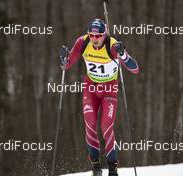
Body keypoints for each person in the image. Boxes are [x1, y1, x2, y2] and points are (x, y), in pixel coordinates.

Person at [59, 19, 139, 176]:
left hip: (109, 89)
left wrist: (123, 55)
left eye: (99, 35)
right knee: (89, 125)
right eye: (92, 35)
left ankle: (112, 168)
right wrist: (63, 59)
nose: (95, 39)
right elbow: (66, 66)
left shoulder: (113, 45)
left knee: (106, 127)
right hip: (91, 88)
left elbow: (135, 69)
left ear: (105, 34)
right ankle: (96, 167)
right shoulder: (82, 42)